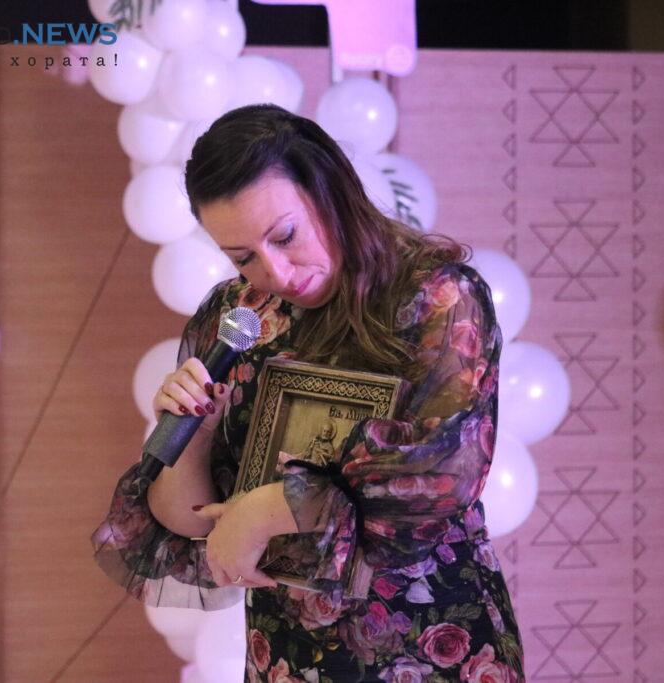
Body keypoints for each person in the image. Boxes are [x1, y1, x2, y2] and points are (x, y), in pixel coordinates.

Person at [92, 103, 524, 682]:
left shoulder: (436, 299)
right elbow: (191, 522)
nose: (275, 273)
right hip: (289, 652)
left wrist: (266, 510)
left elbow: (443, 475)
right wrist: (193, 433)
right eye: (243, 257)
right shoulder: (237, 315)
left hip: (425, 639)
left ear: (329, 189)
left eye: (285, 236)